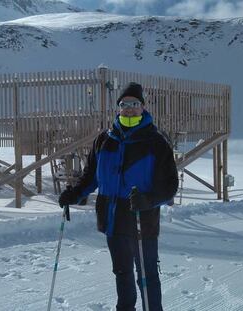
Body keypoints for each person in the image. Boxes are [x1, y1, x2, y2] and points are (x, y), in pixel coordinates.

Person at [59, 82, 178, 311]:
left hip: (141, 219)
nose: (129, 108)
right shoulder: (105, 139)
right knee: (122, 273)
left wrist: (149, 199)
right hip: (113, 220)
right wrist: (75, 194)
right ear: (118, 108)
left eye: (134, 104)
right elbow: (91, 176)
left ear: (143, 107)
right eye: (124, 104)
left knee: (147, 276)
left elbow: (170, 185)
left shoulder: (156, 142)